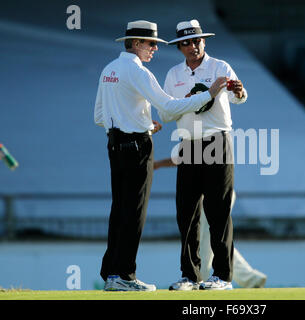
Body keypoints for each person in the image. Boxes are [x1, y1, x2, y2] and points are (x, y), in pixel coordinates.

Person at [94, 20, 227, 291]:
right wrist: (208, 95)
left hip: (114, 144)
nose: (155, 48)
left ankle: (111, 274)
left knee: (118, 209)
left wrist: (142, 123)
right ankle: (125, 276)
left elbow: (99, 116)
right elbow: (167, 105)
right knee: (134, 211)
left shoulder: (109, 69)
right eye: (151, 44)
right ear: (136, 43)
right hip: (136, 147)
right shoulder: (138, 71)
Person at [157, 19, 248, 291]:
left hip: (217, 140)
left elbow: (239, 97)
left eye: (197, 41)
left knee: (218, 211)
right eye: (186, 42)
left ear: (204, 41)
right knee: (186, 212)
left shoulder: (220, 66)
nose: (193, 46)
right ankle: (189, 275)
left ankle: (223, 276)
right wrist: (189, 101)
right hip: (188, 144)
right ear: (180, 47)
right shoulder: (174, 74)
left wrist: (239, 91)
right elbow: (165, 112)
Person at [154, 158, 267, 288]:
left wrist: (158, 164)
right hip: (210, 192)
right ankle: (251, 279)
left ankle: (204, 279)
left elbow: (185, 156)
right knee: (215, 239)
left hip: (210, 193)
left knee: (210, 240)